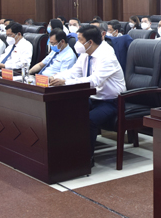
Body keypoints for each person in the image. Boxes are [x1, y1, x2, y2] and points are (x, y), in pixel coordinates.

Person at [50, 26, 127, 161]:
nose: (77, 43)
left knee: (89, 120)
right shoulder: (86, 54)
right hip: (93, 97)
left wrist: (65, 83)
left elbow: (94, 81)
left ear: (90, 42)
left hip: (111, 101)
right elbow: (74, 72)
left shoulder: (107, 56)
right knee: (67, 111)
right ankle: (68, 152)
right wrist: (57, 76)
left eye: (79, 39)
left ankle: (85, 159)